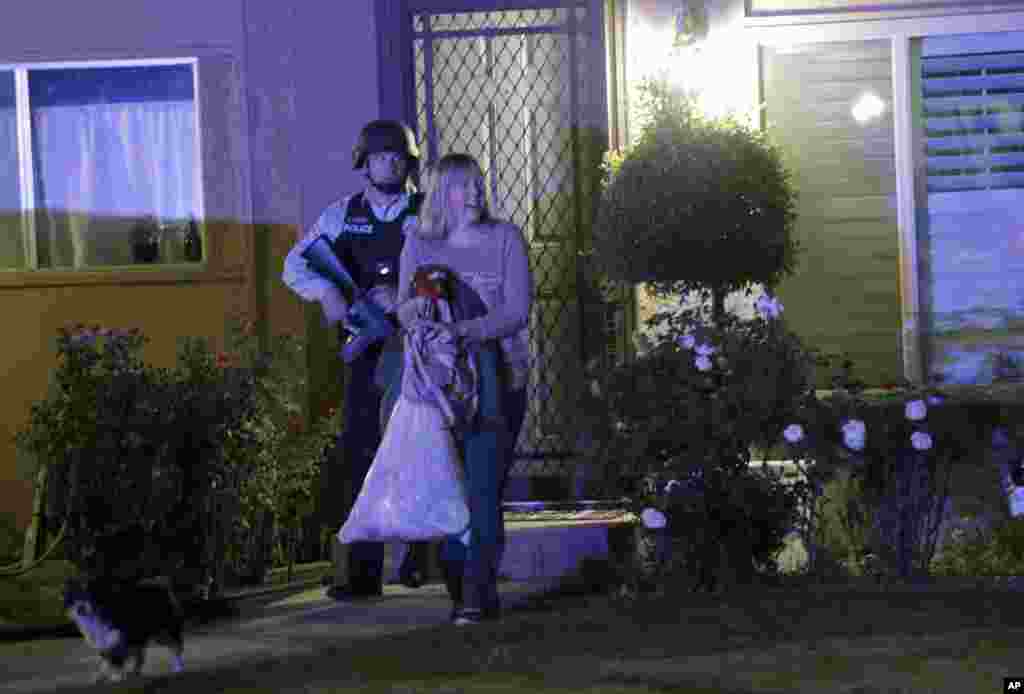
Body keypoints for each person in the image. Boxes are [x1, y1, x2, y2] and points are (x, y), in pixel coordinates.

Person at [282, 119, 430, 600]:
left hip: (420, 348)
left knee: (419, 448)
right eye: (380, 155)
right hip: (364, 351)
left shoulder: (427, 212)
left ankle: (420, 561)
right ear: (362, 162)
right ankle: (360, 573)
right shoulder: (340, 215)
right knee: (359, 454)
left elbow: (455, 269)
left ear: (410, 162)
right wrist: (325, 289)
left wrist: (405, 293)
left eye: (397, 156)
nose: (389, 163)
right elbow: (295, 263)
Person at [395, 153, 532, 625]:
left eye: (477, 184)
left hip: (499, 381)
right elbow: (403, 310)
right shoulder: (418, 242)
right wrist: (423, 310)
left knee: (481, 490)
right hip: (439, 389)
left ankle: (476, 592)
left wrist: (464, 331)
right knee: (449, 489)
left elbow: (516, 312)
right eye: (461, 186)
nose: (474, 193)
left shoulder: (506, 239)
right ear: (440, 194)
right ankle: (461, 587)